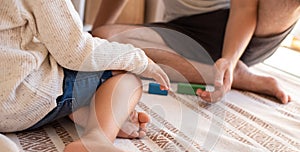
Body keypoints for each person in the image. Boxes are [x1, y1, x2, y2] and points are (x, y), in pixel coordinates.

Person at [0, 0, 171, 152]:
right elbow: (75, 51)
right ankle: (96, 139)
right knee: (126, 79)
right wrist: (140, 60)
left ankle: (91, 111)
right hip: (15, 98)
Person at [92, 0, 300, 104]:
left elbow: (245, 8)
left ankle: (229, 68)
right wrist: (94, 41)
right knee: (106, 36)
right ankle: (233, 76)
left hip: (245, 31)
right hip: (185, 31)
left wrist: (229, 58)